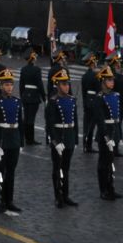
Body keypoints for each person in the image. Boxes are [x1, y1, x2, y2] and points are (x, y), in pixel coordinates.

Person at [0, 68, 23, 214]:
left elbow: (20, 123)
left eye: (11, 84)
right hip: (2, 139)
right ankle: (1, 201)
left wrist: (21, 142)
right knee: (1, 171)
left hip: (14, 138)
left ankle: (10, 200)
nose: (9, 87)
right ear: (0, 86)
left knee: (12, 172)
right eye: (6, 85)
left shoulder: (17, 101)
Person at [44, 68, 79, 208]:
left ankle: (66, 195)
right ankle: (58, 196)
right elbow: (50, 124)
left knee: (66, 168)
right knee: (57, 168)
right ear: (57, 85)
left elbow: (75, 121)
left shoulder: (71, 100)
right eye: (63, 84)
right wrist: (55, 141)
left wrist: (75, 139)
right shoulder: (53, 101)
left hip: (69, 136)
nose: (66, 86)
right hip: (59, 137)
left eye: (67, 84)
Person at [91, 68, 123, 200]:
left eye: (112, 80)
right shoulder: (99, 98)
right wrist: (107, 137)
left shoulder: (115, 95)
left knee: (111, 162)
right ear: (103, 82)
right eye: (109, 80)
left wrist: (117, 136)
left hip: (114, 131)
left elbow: (117, 117)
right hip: (105, 134)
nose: (112, 82)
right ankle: (103, 190)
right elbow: (100, 120)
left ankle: (111, 188)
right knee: (103, 163)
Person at [18, 48, 44, 146]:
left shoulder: (23, 69)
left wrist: (22, 96)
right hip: (34, 96)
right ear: (33, 58)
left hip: (25, 95)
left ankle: (26, 137)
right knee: (31, 118)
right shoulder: (37, 69)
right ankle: (30, 139)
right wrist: (44, 97)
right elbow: (40, 84)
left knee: (27, 117)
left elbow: (21, 84)